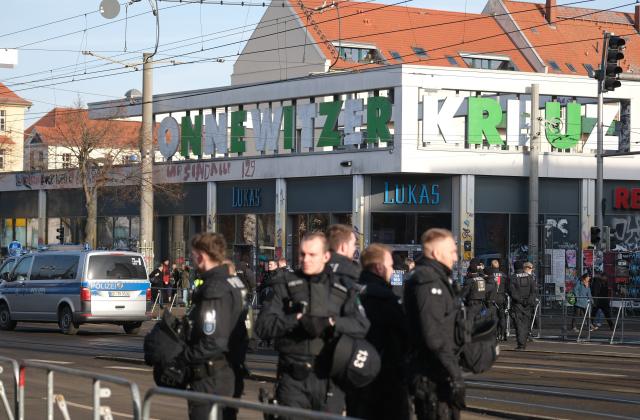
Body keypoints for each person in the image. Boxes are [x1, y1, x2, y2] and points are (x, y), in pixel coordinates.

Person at [255, 232, 369, 415]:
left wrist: (332, 322)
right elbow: (262, 326)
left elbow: (361, 325)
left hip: (329, 380)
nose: (305, 259)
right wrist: (295, 320)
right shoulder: (284, 285)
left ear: (326, 256)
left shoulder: (343, 287)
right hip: (293, 379)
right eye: (302, 254)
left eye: (312, 255)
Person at [175, 233, 247, 420]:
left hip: (211, 377)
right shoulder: (234, 283)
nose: (192, 260)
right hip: (229, 370)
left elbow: (212, 340)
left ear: (201, 255)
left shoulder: (215, 288)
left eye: (192, 255)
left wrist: (182, 358)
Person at [404, 228, 465, 420]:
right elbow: (434, 336)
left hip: (438, 372)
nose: (455, 257)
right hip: (433, 376)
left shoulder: (437, 278)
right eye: (452, 252)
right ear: (437, 253)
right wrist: (455, 374)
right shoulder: (428, 281)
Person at [350, 243, 409, 420]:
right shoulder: (385, 298)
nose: (393, 270)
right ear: (379, 267)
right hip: (385, 378)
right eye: (390, 265)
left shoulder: (351, 291)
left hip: (355, 374)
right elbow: (403, 336)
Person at [508, 261, 536, 350]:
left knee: (519, 324)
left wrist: (520, 300)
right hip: (528, 304)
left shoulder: (513, 278)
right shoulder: (529, 277)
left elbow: (512, 292)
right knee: (526, 323)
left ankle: (521, 344)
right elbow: (533, 291)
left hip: (518, 304)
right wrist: (529, 301)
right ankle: (524, 342)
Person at [327, 224, 361, 288]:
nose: (355, 248)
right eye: (353, 244)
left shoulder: (317, 268)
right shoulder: (352, 272)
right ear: (344, 247)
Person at [461, 258, 491, 325]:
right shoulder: (482, 279)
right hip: (481, 304)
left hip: (472, 303)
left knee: (471, 323)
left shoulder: (469, 281)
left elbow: (464, 293)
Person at [485, 260, 508, 341]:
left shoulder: (489, 275)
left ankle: (495, 334)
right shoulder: (504, 275)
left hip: (492, 297)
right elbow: (506, 287)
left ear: (491, 266)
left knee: (493, 316)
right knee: (502, 317)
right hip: (501, 297)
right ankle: (503, 334)